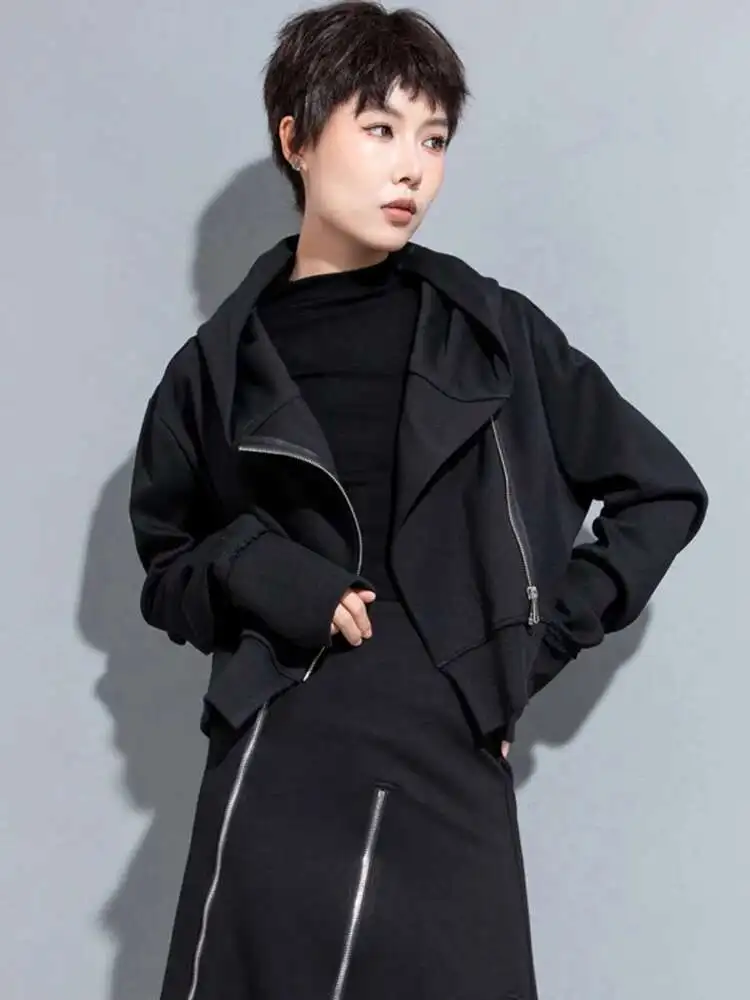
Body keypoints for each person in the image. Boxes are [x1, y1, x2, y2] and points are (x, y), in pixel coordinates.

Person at [128, 2, 709, 998]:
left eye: (433, 140)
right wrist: (262, 570)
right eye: (381, 129)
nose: (413, 169)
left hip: (444, 743)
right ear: (297, 140)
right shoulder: (215, 368)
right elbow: (167, 564)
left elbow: (662, 491)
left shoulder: (490, 332)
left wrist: (523, 653)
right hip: (282, 752)